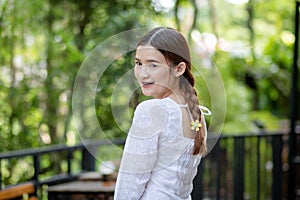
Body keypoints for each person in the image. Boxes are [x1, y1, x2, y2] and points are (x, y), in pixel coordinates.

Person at [114, 27, 210, 200]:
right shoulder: (197, 114)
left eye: (153, 65)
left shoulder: (152, 111)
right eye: (138, 63)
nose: (143, 74)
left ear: (179, 69)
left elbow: (130, 184)